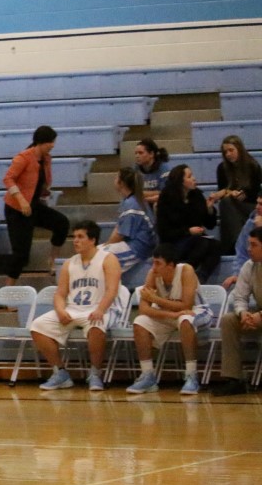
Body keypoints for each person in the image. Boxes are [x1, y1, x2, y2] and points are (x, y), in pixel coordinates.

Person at [29, 220, 128, 392]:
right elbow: (60, 294)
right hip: (73, 309)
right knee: (38, 326)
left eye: (80, 237)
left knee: (97, 325)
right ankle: (60, 373)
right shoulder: (69, 263)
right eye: (74, 237)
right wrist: (60, 310)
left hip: (100, 308)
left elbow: (112, 290)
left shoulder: (108, 259)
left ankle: (95, 373)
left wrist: (100, 310)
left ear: (93, 240)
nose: (75, 240)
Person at [125, 245, 215, 396]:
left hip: (197, 311)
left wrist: (156, 299)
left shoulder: (186, 270)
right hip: (172, 315)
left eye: (158, 263)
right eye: (153, 262)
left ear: (171, 265)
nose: (154, 267)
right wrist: (172, 314)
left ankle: (191, 375)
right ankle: (148, 375)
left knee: (186, 319)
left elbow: (186, 305)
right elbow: (144, 309)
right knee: (140, 322)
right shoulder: (152, 274)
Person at [2, 126, 69, 285]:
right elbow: (8, 179)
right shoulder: (23, 157)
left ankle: (52, 260)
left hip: (33, 205)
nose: (52, 145)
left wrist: (44, 190)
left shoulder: (46, 159)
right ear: (40, 142)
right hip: (16, 209)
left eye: (53, 142)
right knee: (21, 254)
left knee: (62, 223)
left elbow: (40, 181)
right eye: (49, 142)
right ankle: (7, 290)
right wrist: (21, 199)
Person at [210, 227, 262, 396]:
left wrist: (259, 316)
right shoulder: (249, 266)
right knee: (228, 320)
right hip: (256, 314)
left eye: (254, 245)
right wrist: (243, 313)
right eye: (248, 244)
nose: (249, 249)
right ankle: (234, 379)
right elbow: (239, 296)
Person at [155, 164, 220, 282]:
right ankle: (183, 275)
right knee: (201, 242)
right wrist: (188, 231)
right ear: (180, 181)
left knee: (215, 245)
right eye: (189, 176)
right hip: (172, 243)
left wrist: (209, 209)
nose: (194, 178)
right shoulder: (167, 197)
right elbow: (164, 231)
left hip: (193, 241)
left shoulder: (196, 195)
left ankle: (200, 278)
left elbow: (210, 224)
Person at [99, 167, 157, 273]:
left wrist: (106, 246)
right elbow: (118, 228)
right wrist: (105, 245)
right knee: (93, 253)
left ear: (121, 183)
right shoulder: (129, 200)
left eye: (116, 177)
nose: (114, 179)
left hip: (139, 248)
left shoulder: (132, 204)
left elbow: (120, 235)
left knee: (99, 258)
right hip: (131, 244)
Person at [211, 135, 262, 254]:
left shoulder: (253, 166)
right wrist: (229, 192)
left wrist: (242, 194)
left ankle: (233, 245)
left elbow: (256, 193)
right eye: (225, 152)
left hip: (250, 206)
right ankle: (235, 243)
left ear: (239, 149)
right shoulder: (222, 168)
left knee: (227, 204)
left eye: (231, 150)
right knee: (226, 203)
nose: (228, 154)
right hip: (232, 206)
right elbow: (222, 191)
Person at [222, 194, 262, 288]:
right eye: (257, 203)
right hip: (254, 275)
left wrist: (260, 228)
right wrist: (238, 275)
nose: (257, 207)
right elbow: (241, 253)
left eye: (261, 204)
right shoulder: (251, 223)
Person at [133, 138, 170, 206]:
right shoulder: (136, 168)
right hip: (142, 203)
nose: (137, 156)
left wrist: (143, 195)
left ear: (151, 154)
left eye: (141, 153)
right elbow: (132, 191)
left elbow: (165, 193)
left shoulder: (164, 168)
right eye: (136, 153)